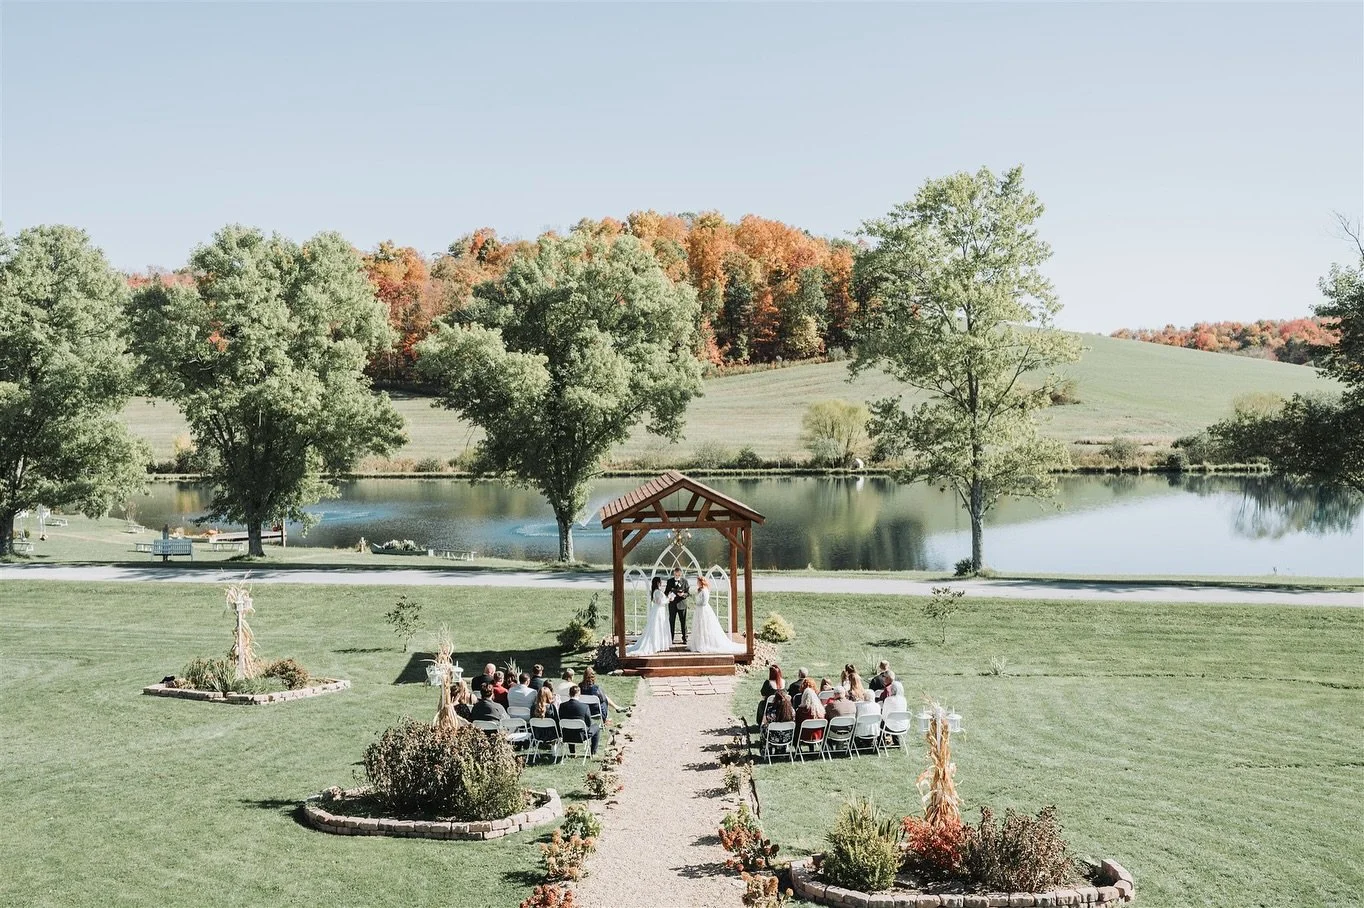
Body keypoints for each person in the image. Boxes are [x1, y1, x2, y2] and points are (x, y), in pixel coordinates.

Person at [688, 577, 744, 654]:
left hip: (703, 610)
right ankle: (699, 643)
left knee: (704, 626)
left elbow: (704, 602)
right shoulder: (699, 590)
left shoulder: (705, 590)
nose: (697, 583)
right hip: (698, 610)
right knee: (699, 626)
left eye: (698, 582)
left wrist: (697, 604)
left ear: (702, 582)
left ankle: (705, 643)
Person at [628, 576, 672, 656]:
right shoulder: (657, 592)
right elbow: (659, 602)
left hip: (658, 610)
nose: (661, 583)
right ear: (658, 583)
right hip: (659, 611)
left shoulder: (655, 591)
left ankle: (658, 644)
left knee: (658, 627)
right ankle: (655, 645)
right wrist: (669, 599)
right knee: (657, 626)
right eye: (660, 582)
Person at [557, 685, 600, 756]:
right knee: (596, 727)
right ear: (579, 694)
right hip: (581, 736)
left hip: (566, 735)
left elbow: (560, 719)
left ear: (569, 694)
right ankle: (593, 752)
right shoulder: (584, 707)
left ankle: (572, 752)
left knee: (569, 725)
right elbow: (589, 723)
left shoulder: (562, 706)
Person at [665, 566, 690, 645]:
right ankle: (670, 638)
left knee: (683, 622)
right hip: (672, 604)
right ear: (674, 573)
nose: (677, 576)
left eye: (679, 575)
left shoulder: (685, 581)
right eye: (676, 575)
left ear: (681, 574)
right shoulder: (669, 581)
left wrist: (683, 594)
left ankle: (685, 638)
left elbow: (688, 593)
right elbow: (666, 592)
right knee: (671, 622)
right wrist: (669, 594)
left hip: (682, 604)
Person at [881, 680, 910, 745]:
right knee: (893, 720)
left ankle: (881, 743)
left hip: (890, 727)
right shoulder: (904, 700)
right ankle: (896, 742)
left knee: (881, 722)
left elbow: (883, 716)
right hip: (903, 726)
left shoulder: (888, 700)